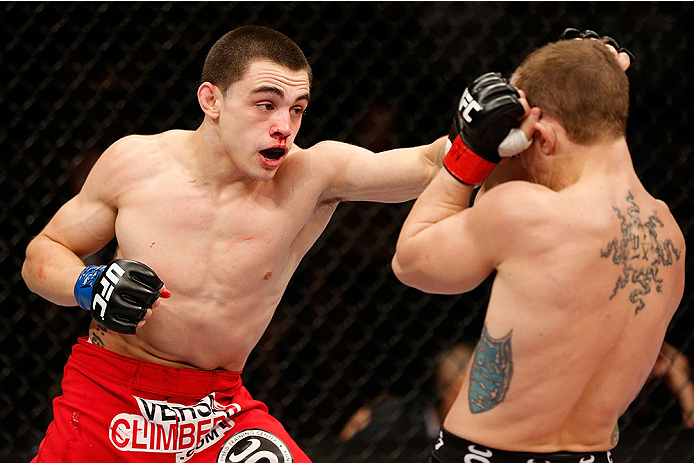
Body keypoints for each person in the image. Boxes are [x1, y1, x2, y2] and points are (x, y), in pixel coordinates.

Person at [20, 25, 450, 462]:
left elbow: (427, 163)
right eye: (265, 105)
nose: (284, 127)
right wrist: (90, 284)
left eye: (296, 109)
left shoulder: (312, 175)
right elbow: (43, 252)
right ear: (212, 101)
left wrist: (485, 139)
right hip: (109, 396)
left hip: (215, 413)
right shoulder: (137, 164)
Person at [392, 37, 685, 463]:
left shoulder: (525, 213)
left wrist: (471, 153)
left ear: (542, 134)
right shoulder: (668, 236)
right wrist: (581, 69)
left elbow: (411, 262)